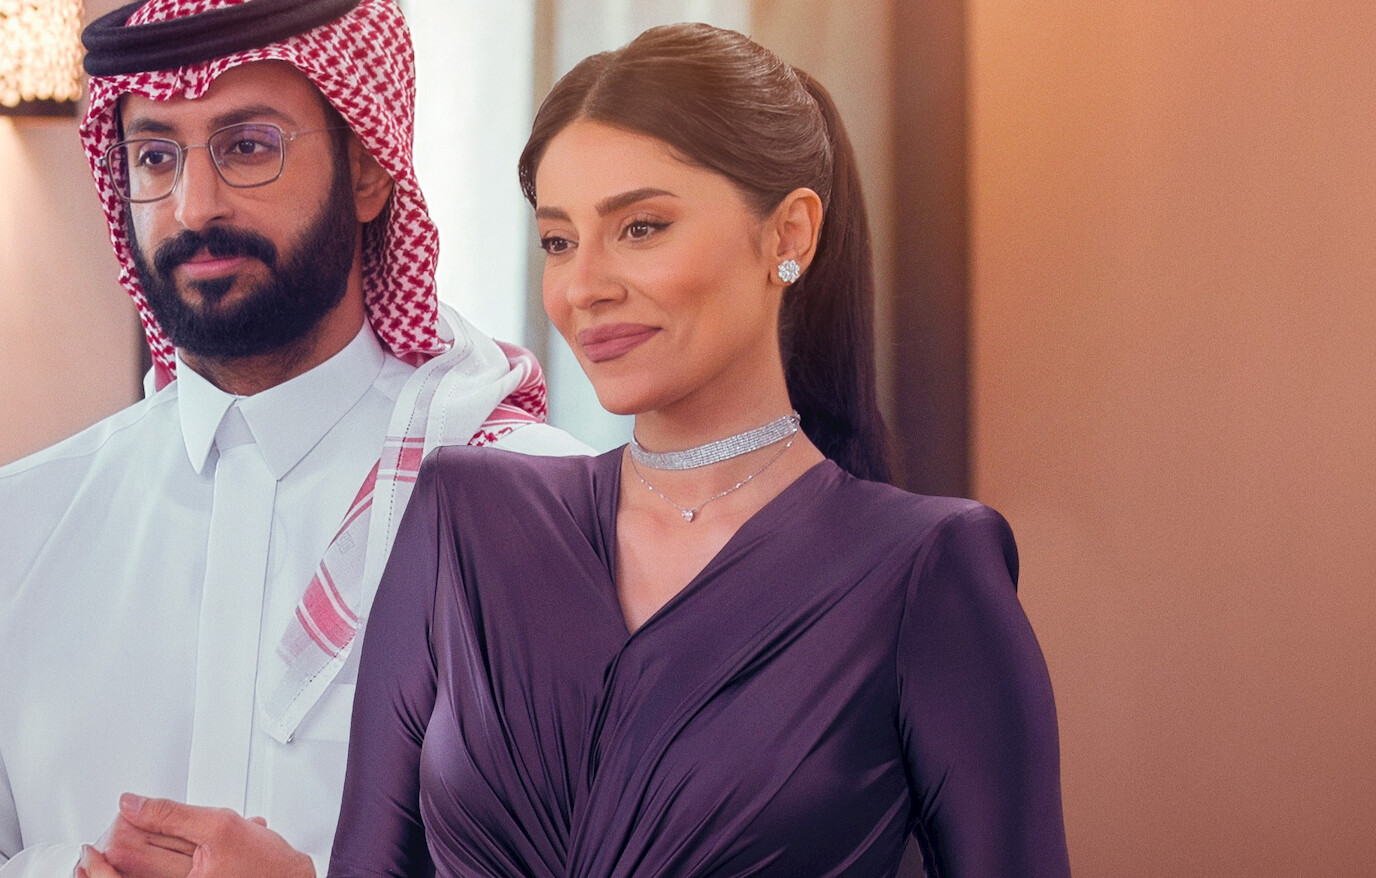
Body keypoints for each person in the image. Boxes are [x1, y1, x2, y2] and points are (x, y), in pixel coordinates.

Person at [0, 1, 588, 877]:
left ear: (367, 169)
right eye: (156, 157)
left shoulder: (535, 512)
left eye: (249, 146)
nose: (194, 207)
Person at [329, 23, 1070, 878]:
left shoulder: (925, 569)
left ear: (789, 235)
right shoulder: (464, 517)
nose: (583, 287)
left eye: (641, 227)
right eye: (559, 241)